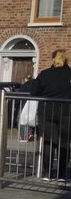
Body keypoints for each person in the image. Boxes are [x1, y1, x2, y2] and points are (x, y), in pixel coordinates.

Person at [29, 49, 71, 181]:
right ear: (66, 59)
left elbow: (34, 92)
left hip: (47, 111)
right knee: (64, 143)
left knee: (48, 142)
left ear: (53, 59)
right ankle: (61, 175)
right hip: (66, 112)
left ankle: (47, 173)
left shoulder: (45, 74)